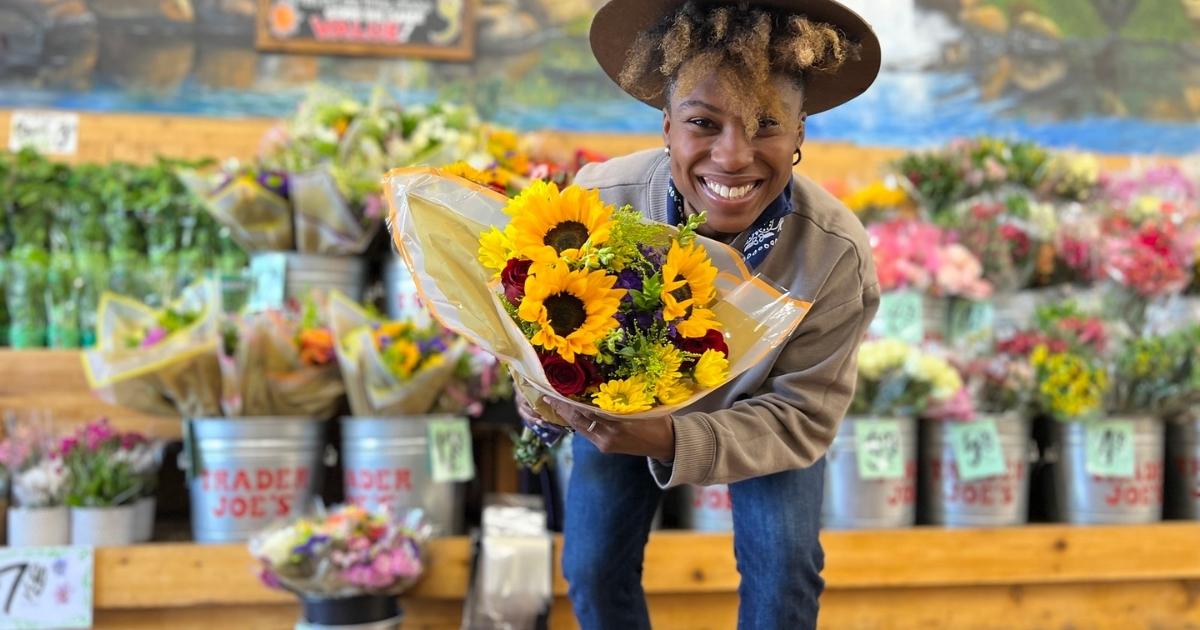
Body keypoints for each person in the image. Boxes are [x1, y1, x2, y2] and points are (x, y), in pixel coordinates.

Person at [516, 1, 882, 627]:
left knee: (784, 573)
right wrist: (534, 385)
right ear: (665, 127)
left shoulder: (833, 253)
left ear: (800, 135)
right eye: (703, 123)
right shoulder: (595, 206)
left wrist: (669, 437)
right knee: (593, 567)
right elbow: (528, 314)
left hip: (762, 414)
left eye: (767, 124)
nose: (733, 156)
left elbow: (800, 416)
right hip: (620, 407)